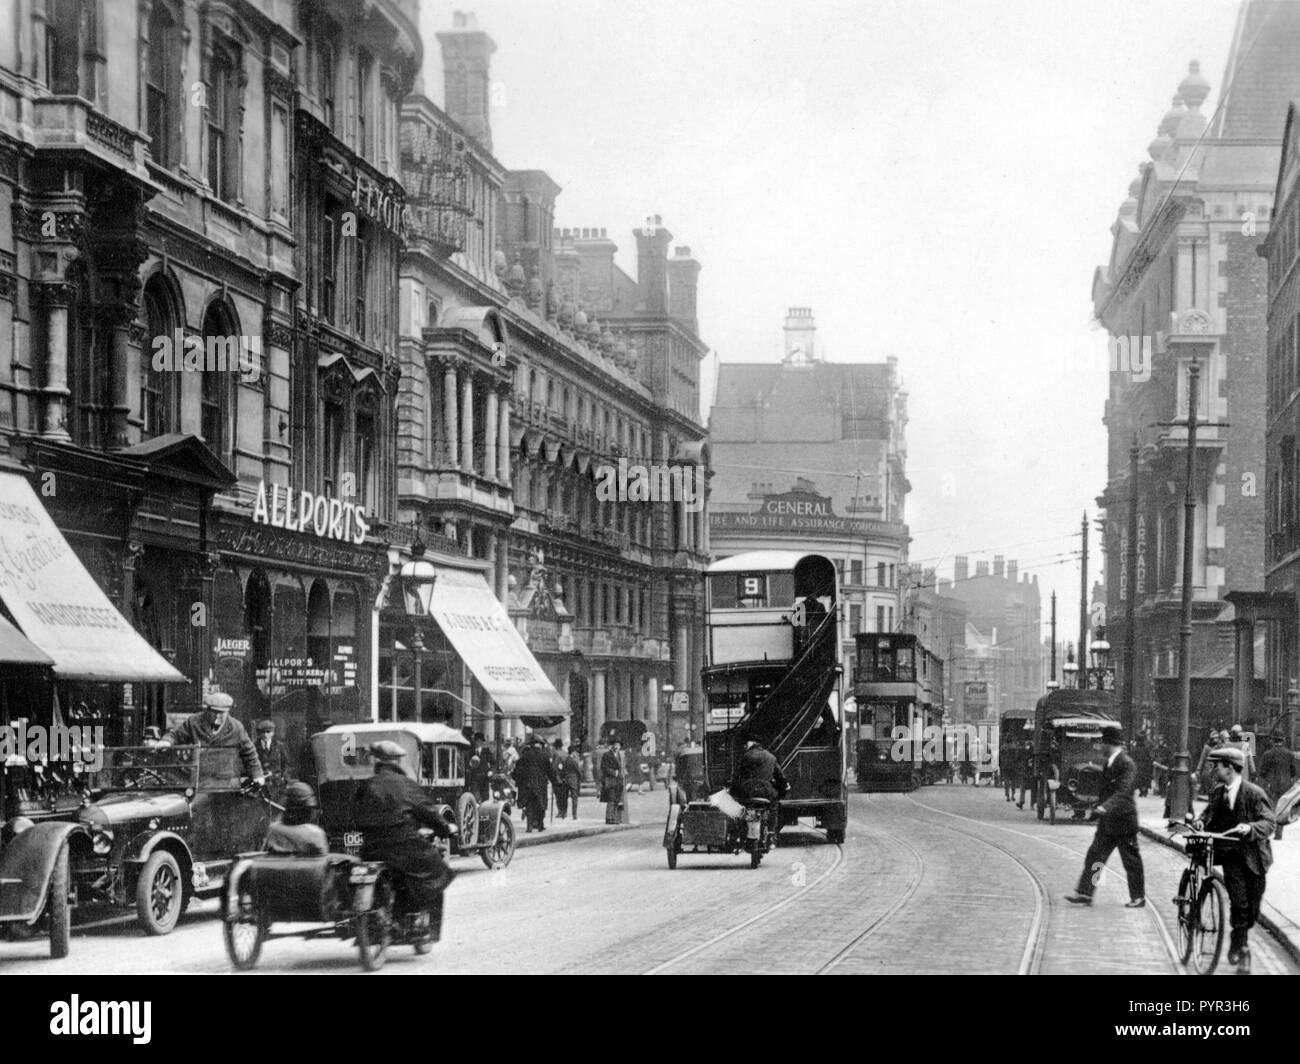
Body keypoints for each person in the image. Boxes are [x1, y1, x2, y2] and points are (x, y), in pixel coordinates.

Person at [1195, 746, 1276, 973]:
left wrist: (1249, 827)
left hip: (1255, 859)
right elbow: (1209, 813)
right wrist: (1202, 822)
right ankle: (1243, 951)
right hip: (1231, 856)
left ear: (1229, 768)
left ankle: (1237, 937)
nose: (1213, 770)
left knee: (1253, 909)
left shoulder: (1253, 793)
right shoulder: (1218, 792)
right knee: (1239, 904)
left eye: (1216, 766)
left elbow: (1269, 822)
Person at [352, 741, 456, 911]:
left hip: (371, 848)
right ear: (397, 761)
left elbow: (355, 816)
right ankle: (414, 917)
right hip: (404, 846)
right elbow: (429, 812)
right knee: (438, 871)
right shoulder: (406, 784)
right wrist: (446, 828)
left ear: (377, 762)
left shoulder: (366, 785)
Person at [1066, 726, 1145, 908]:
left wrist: (1104, 807)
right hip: (1108, 822)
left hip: (1124, 821)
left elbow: (1123, 792)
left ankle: (1138, 897)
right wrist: (1098, 808)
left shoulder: (1126, 763)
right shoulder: (1109, 763)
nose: (1099, 746)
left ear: (1110, 744)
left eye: (1101, 742)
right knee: (1095, 856)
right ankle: (1086, 893)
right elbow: (1106, 792)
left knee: (1131, 861)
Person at [155, 692, 264, 784]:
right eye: (214, 712)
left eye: (222, 713)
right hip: (196, 780)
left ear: (228, 711)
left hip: (222, 784)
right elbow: (176, 735)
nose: (217, 716)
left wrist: (257, 774)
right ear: (207, 710)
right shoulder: (194, 722)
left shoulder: (236, 728)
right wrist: (166, 741)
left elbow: (249, 753)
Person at [265, 781, 328, 856]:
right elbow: (323, 862)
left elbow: (267, 855)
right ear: (306, 810)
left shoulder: (274, 828)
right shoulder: (315, 833)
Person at [1258, 735, 1298, 841]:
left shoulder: (1267, 754)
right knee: (1282, 808)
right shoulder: (1289, 754)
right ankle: (1278, 833)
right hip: (1285, 784)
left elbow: (1262, 771)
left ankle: (1269, 830)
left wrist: (1266, 780)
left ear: (1272, 741)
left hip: (1271, 785)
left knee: (1270, 807)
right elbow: (1294, 771)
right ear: (1283, 741)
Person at [514, 736, 555, 832]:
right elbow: (550, 771)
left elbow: (518, 770)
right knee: (540, 805)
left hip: (527, 785)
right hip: (540, 785)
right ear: (540, 745)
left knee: (529, 805)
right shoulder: (544, 755)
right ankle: (540, 825)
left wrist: (518, 781)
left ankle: (529, 826)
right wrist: (555, 781)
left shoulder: (525, 755)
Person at [600, 738, 626, 824]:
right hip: (610, 780)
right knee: (611, 799)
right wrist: (614, 772)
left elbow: (621, 766)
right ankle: (608, 818)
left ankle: (613, 818)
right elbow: (604, 767)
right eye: (615, 745)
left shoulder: (619, 755)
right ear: (612, 746)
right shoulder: (606, 755)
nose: (616, 747)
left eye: (618, 745)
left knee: (616, 799)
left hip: (618, 780)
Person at [550, 739, 571, 819]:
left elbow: (554, 766)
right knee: (565, 796)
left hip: (558, 777)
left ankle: (560, 811)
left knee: (558, 796)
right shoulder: (566, 754)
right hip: (566, 777)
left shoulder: (555, 754)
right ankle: (564, 812)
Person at [560, 745, 582, 819]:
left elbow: (562, 771)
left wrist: (563, 778)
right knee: (574, 798)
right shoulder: (574, 761)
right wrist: (579, 780)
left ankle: (564, 813)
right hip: (573, 781)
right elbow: (578, 772)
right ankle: (574, 814)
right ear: (573, 752)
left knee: (564, 798)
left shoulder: (564, 760)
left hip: (565, 781)